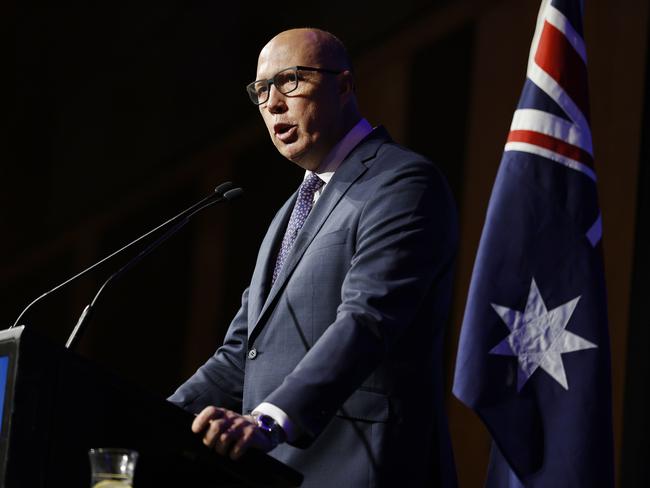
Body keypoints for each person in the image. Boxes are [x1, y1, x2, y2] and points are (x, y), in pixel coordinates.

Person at [169, 27, 458, 487]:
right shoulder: (290, 211)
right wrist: (154, 423)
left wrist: (268, 421)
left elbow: (368, 319)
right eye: (261, 90)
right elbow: (241, 354)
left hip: (363, 468)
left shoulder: (402, 182)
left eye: (290, 81)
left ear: (343, 86)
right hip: (277, 472)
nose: (272, 103)